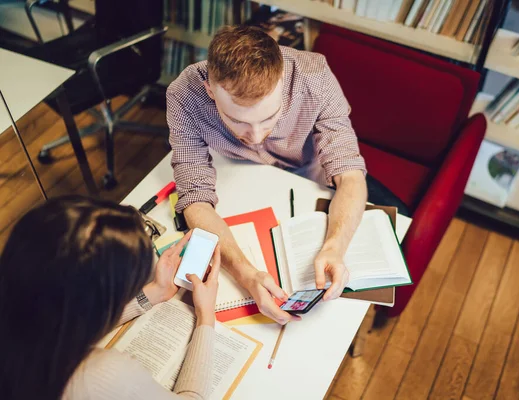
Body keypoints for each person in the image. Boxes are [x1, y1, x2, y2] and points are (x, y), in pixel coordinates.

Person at [168, 25, 409, 325]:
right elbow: (194, 199)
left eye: (268, 117)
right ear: (210, 90)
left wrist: (334, 247)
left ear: (282, 82)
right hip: (245, 182)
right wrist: (246, 275)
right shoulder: (184, 95)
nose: (255, 136)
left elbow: (349, 174)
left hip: (311, 180)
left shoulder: (315, 77)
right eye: (237, 120)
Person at [0, 196, 220, 400]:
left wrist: (154, 292)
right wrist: (206, 315)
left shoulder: (21, 309)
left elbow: (62, 316)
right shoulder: (101, 375)